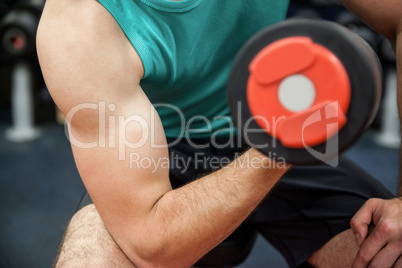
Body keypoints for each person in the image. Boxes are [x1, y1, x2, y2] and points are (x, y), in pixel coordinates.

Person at [36, 0, 402, 267]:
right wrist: (281, 144)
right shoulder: (79, 23)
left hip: (269, 128)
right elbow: (150, 242)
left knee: (392, 247)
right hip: (156, 157)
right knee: (92, 259)